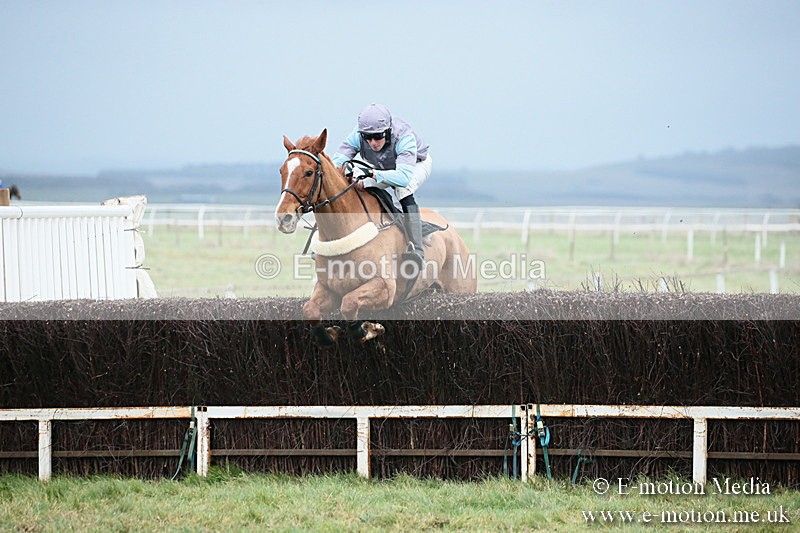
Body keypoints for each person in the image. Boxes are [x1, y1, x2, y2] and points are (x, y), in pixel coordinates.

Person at [331, 103, 431, 269]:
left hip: (415, 165)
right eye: (367, 137)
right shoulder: (357, 135)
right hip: (383, 166)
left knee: (402, 190)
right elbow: (337, 162)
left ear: (387, 131)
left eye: (378, 136)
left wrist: (372, 173)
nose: (372, 142)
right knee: (359, 184)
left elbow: (403, 177)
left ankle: (417, 249)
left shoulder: (404, 137)